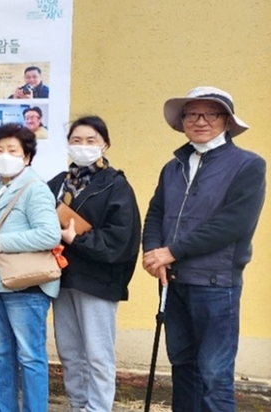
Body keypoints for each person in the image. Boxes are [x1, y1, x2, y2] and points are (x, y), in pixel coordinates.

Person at [143, 86, 265, 412]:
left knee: (215, 375)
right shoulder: (173, 167)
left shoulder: (248, 165)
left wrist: (172, 251)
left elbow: (233, 224)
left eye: (211, 113)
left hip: (216, 284)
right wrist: (153, 252)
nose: (200, 121)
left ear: (226, 121)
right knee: (183, 367)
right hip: (173, 280)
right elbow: (156, 212)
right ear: (182, 121)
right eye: (192, 113)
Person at [45, 116, 140, 412]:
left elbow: (121, 239)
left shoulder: (116, 186)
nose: (83, 147)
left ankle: (98, 408)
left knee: (98, 355)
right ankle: (78, 405)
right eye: (76, 140)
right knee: (70, 353)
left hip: (98, 281)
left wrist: (78, 240)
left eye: (91, 141)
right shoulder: (58, 183)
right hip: (62, 279)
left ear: (105, 145)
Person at [0, 123, 60, 412]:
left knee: (31, 357)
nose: (4, 155)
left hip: (25, 286)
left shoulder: (35, 189)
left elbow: (49, 234)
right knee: (1, 354)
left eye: (12, 150)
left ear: (27, 157)